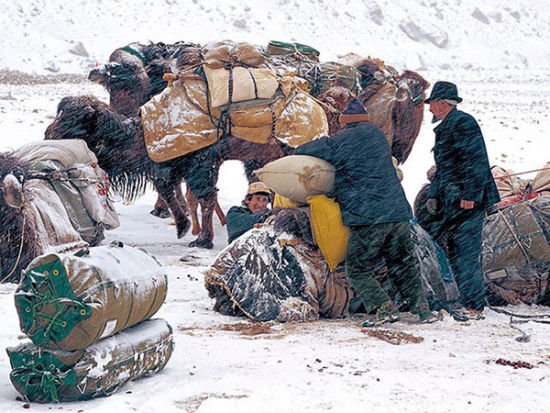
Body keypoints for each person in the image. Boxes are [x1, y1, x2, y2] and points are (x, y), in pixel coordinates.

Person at [295, 97, 436, 326]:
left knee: (358, 268)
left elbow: (317, 149)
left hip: (370, 216)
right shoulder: (378, 136)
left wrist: (299, 148)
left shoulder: (344, 139)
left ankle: (383, 307)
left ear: (346, 122)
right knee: (404, 264)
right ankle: (422, 308)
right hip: (398, 213)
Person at [424, 81, 500, 319]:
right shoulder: (449, 125)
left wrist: (471, 196)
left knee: (466, 251)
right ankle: (459, 297)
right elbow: (446, 168)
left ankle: (474, 305)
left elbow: (476, 161)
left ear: (442, 103)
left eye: (432, 104)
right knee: (453, 248)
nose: (429, 110)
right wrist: (434, 195)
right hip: (453, 199)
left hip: (466, 201)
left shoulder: (463, 123)